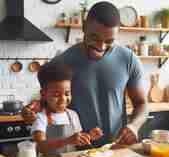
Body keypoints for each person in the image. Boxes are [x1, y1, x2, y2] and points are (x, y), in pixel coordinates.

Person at [23, 1, 148, 147]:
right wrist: (30, 110)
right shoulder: (62, 62)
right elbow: (47, 99)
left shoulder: (129, 59)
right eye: (94, 38)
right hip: (76, 152)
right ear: (84, 27)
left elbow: (141, 103)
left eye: (109, 41)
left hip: (116, 148)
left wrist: (134, 126)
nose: (101, 47)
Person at [31, 62, 103, 156]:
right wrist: (67, 141)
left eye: (67, 93)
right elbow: (41, 146)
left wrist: (89, 136)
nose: (63, 99)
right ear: (43, 94)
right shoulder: (41, 118)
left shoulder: (73, 115)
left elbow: (77, 140)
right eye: (56, 95)